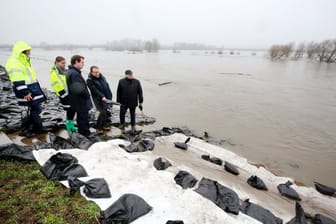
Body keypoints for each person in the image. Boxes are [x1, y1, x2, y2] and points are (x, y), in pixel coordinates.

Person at [5, 41, 47, 137]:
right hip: (25, 91)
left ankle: (37, 127)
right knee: (27, 111)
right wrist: (25, 92)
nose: (30, 52)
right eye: (28, 51)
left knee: (36, 108)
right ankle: (24, 130)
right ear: (22, 51)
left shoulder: (24, 60)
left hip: (32, 88)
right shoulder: (14, 61)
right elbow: (17, 78)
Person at [66, 55, 93, 137]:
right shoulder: (74, 74)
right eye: (82, 62)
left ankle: (83, 133)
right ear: (76, 62)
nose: (83, 64)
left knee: (81, 118)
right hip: (80, 101)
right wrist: (87, 95)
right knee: (83, 118)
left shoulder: (71, 71)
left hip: (76, 100)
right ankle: (85, 134)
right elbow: (78, 89)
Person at [49, 56, 77, 133]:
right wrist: (64, 95)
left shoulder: (64, 71)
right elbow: (56, 86)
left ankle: (71, 125)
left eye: (65, 63)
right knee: (70, 109)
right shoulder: (54, 73)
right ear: (57, 62)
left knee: (72, 109)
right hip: (64, 95)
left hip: (70, 94)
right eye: (62, 63)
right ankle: (68, 126)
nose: (64, 64)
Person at [86, 66, 113, 134]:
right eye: (95, 72)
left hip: (105, 97)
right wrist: (102, 96)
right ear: (91, 72)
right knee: (102, 112)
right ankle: (98, 128)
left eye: (98, 71)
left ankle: (103, 125)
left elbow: (107, 86)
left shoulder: (102, 77)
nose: (97, 73)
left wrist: (110, 96)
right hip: (97, 98)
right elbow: (94, 90)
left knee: (106, 111)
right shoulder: (89, 80)